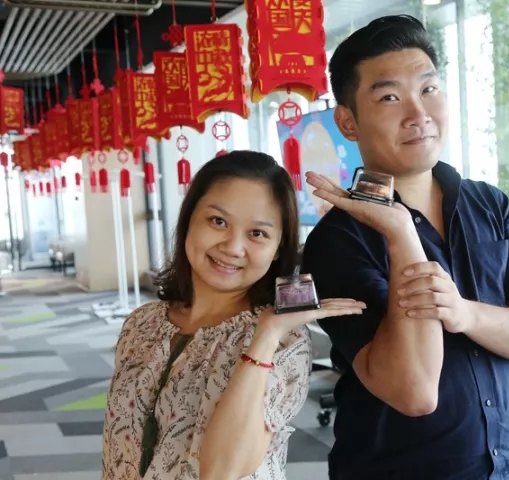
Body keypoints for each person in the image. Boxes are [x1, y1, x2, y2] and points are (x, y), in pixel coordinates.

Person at [302, 15, 509, 480]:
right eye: (389, 97)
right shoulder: (337, 239)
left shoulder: (489, 204)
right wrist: (402, 234)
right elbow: (414, 391)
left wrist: (464, 314)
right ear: (348, 122)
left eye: (429, 89)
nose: (418, 113)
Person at [101, 151, 365, 480]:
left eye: (257, 233)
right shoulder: (142, 323)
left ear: (278, 249)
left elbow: (222, 471)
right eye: (218, 221)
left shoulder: (285, 341)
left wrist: (265, 337)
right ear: (188, 219)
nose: (233, 247)